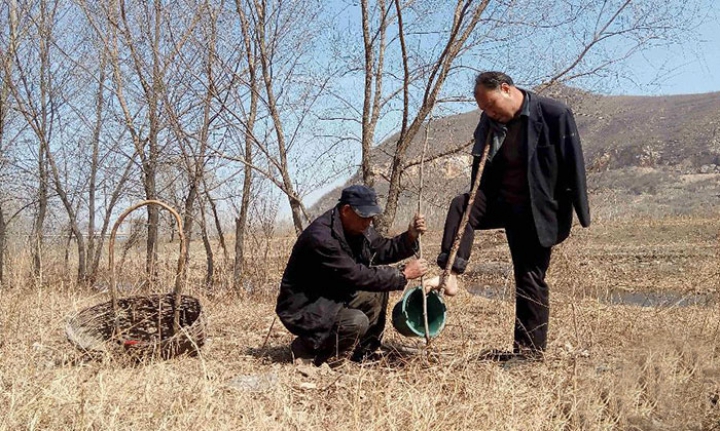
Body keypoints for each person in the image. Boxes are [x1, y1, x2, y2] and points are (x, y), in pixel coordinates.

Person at [434, 71, 590, 361]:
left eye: (492, 105)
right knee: (463, 204)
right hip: (502, 201)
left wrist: (579, 213)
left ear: (506, 89)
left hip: (538, 210)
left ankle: (529, 353)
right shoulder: (490, 123)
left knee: (530, 277)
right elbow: (482, 164)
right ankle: (451, 272)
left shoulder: (554, 114)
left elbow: (574, 163)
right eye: (484, 110)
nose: (490, 113)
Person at [276, 185, 429, 365]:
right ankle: (308, 347)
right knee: (356, 322)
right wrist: (402, 274)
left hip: (332, 294)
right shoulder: (322, 237)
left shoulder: (358, 227)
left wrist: (409, 236)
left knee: (378, 290)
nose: (369, 223)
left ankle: (364, 352)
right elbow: (356, 275)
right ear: (347, 210)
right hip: (306, 307)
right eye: (365, 217)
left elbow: (381, 250)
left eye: (371, 218)